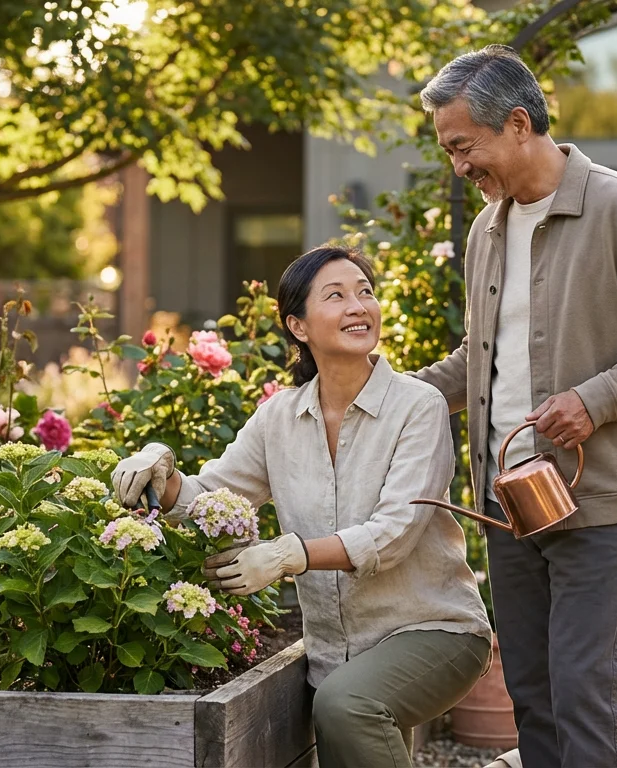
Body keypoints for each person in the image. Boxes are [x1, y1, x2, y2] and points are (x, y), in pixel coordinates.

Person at [413, 45, 617, 768]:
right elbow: (477, 356)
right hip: (508, 500)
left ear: (517, 124)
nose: (459, 165)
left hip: (598, 497)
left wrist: (595, 399)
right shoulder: (486, 231)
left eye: (464, 145)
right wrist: (378, 397)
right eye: (450, 149)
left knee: (583, 691)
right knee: (532, 691)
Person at [111, 245, 493, 768]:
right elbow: (212, 498)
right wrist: (163, 469)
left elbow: (396, 531)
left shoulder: (417, 406)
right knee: (347, 723)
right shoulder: (279, 418)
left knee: (346, 706)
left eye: (365, 292)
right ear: (298, 325)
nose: (358, 306)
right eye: (336, 296)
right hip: (337, 650)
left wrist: (290, 555)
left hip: (435, 630)